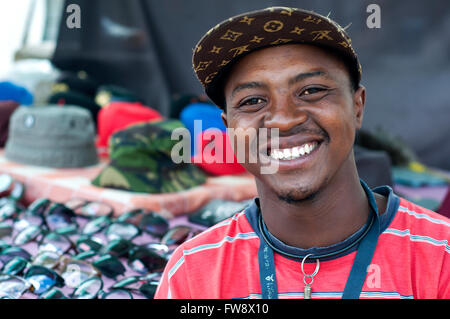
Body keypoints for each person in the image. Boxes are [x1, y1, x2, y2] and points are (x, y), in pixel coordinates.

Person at [155, 7, 450, 299]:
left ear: (357, 106)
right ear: (230, 128)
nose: (284, 119)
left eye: (311, 91)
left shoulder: (441, 255)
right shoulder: (193, 272)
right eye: (253, 101)